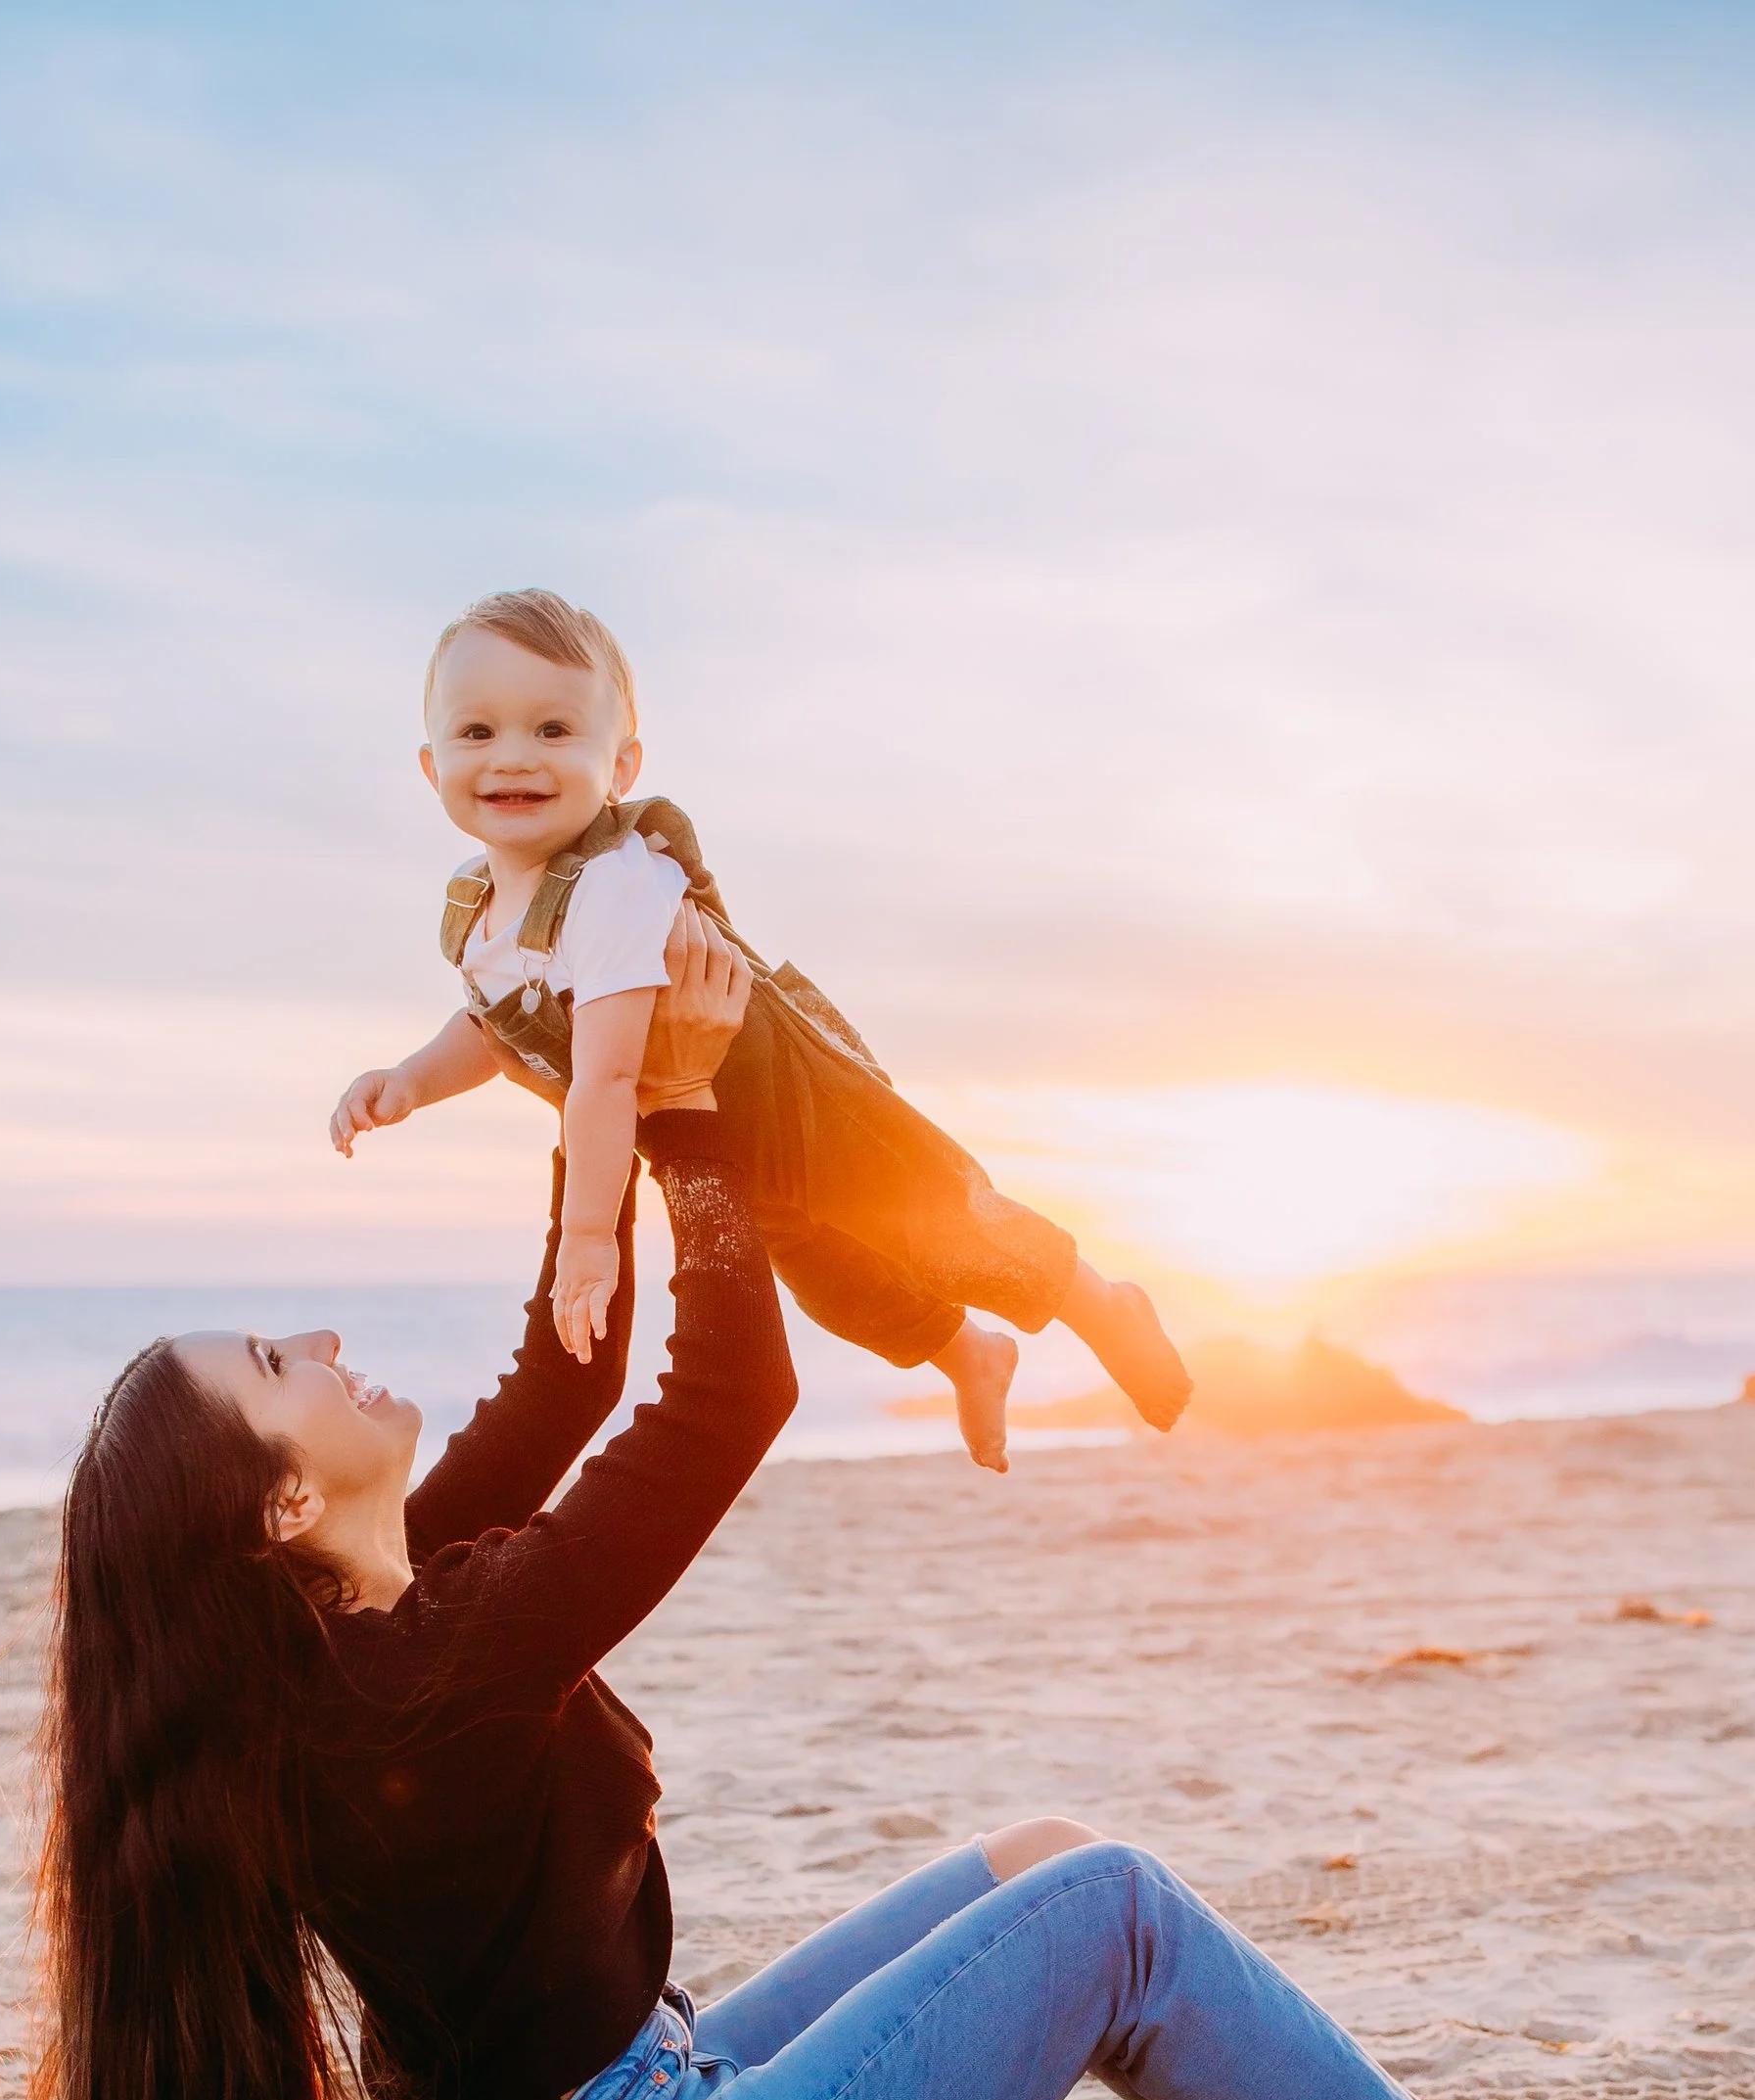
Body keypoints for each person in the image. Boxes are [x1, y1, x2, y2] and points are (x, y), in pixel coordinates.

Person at [0, 914, 1702, 2100]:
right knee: (1112, 1911)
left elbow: (567, 1381)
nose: (332, 1343)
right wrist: (697, 1107)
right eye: (286, 1364)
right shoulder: (423, 1659)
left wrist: (604, 1063)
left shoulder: (367, 1628)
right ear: (283, 1502)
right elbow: (724, 1404)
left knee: (1038, 1853)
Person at [327, 584, 1193, 1475]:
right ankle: (970, 1354)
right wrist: (411, 1081)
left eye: (553, 731)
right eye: (478, 733)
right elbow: (494, 1022)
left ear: (621, 767)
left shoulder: (612, 887)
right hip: (717, 1137)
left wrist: (591, 1238)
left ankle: (1102, 1304)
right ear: (432, 765)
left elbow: (610, 1079)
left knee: (943, 1223)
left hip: (800, 1098)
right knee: (838, 1286)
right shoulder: (479, 904)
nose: (514, 758)